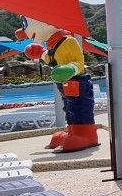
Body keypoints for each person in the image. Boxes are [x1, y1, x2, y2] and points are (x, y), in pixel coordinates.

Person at [15, 17, 99, 153]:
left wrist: (70, 69)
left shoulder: (69, 41)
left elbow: (78, 62)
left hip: (78, 82)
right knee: (69, 108)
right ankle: (73, 132)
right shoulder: (54, 44)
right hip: (66, 84)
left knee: (80, 107)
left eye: (25, 25)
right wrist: (42, 53)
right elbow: (51, 59)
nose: (23, 32)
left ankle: (87, 135)